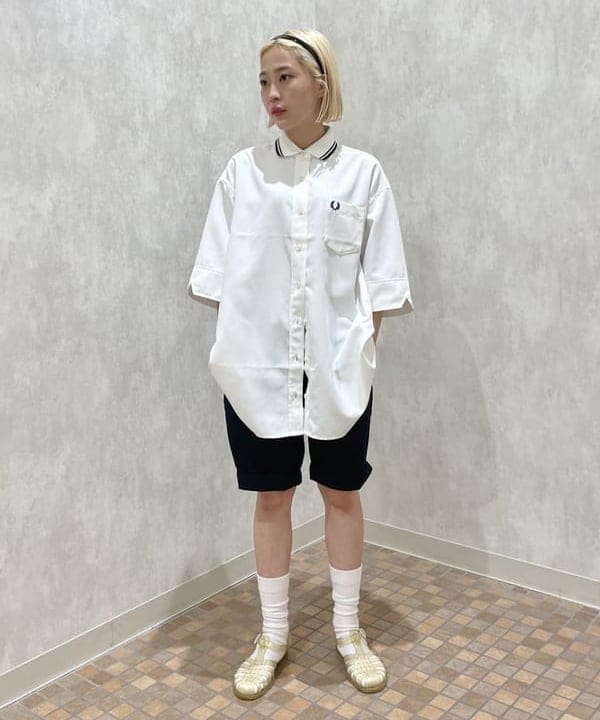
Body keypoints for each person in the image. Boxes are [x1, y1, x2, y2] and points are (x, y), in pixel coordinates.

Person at [188, 28, 413, 701]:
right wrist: (251, 343)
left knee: (341, 493)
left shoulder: (363, 174)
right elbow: (217, 278)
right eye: (264, 80)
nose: (272, 93)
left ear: (321, 81)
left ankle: (349, 630)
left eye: (284, 77)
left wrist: (358, 354)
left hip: (339, 368)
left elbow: (381, 284)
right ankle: (272, 635)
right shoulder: (243, 173)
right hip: (259, 370)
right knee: (272, 496)